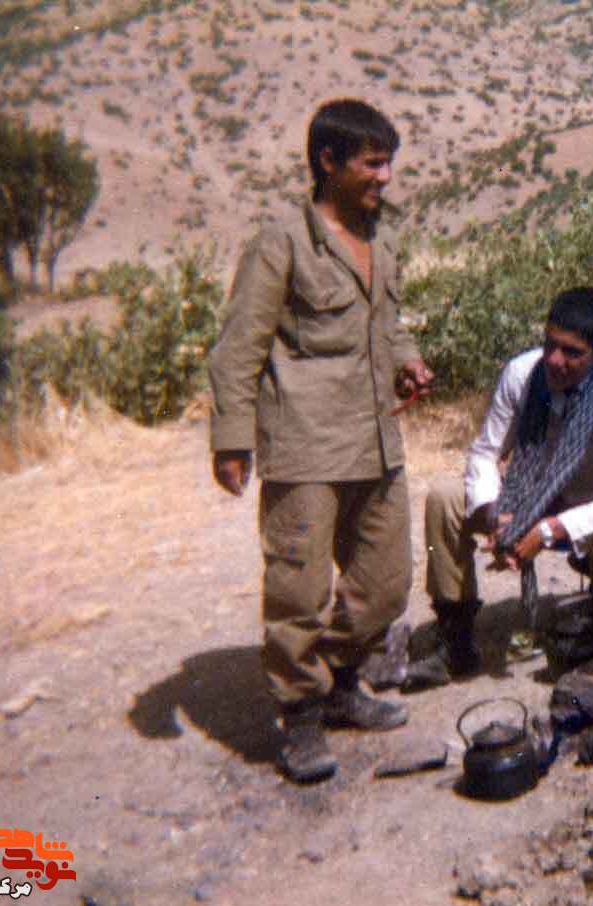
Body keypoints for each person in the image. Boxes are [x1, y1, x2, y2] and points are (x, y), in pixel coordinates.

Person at [207, 99, 433, 782]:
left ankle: (339, 681)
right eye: (372, 162)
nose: (385, 176)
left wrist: (408, 359)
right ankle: (302, 715)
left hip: (376, 438)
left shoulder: (380, 238)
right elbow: (238, 348)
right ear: (328, 161)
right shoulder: (281, 242)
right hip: (304, 444)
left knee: (386, 583)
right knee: (298, 589)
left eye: (388, 163)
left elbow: (386, 323)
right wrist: (232, 440)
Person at [418, 287, 593, 682]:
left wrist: (549, 530)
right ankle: (454, 633)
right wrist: (493, 512)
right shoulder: (523, 373)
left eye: (572, 352)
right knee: (445, 497)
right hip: (523, 498)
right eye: (550, 345)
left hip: (587, 510)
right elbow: (486, 451)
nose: (555, 360)